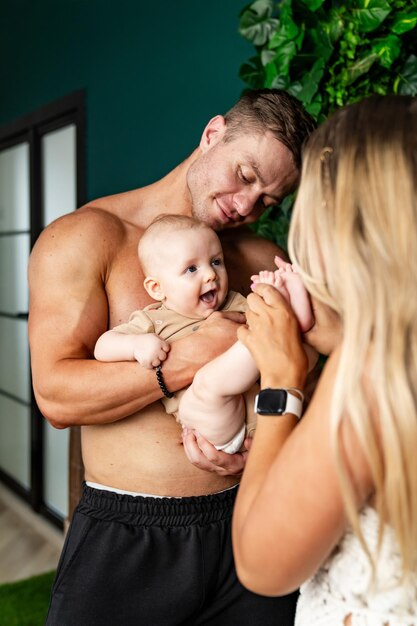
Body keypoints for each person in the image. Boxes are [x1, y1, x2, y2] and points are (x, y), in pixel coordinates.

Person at [28, 88, 316, 625]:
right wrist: (186, 358)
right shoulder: (88, 238)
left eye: (268, 201)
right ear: (212, 136)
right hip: (130, 533)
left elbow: (308, 379)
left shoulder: (260, 257)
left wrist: (258, 452)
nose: (247, 205)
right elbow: (55, 395)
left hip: (249, 517)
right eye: (246, 176)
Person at [231, 95, 417, 625]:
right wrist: (340, 337)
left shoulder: (372, 370)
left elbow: (261, 564)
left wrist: (281, 379)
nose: (250, 208)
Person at [94, 214, 316, 454]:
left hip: (260, 415)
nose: (210, 274)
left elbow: (288, 340)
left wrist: (276, 302)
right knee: (206, 384)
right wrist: (137, 345)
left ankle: (293, 304)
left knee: (276, 328)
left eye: (216, 262)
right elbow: (102, 347)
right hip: (210, 422)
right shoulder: (152, 320)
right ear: (157, 288)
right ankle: (267, 332)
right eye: (191, 269)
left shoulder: (234, 303)